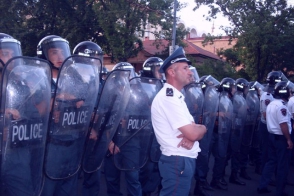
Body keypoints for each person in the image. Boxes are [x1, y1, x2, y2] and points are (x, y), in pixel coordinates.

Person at [151, 47, 207, 196]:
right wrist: (200, 130)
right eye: (185, 68)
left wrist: (194, 133)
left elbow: (193, 132)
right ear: (172, 72)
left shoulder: (177, 97)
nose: (190, 72)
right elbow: (193, 133)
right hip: (177, 160)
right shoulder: (168, 98)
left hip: (181, 159)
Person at [104, 62, 144, 196]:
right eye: (123, 76)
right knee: (111, 178)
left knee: (133, 177)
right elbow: (102, 120)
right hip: (112, 140)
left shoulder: (140, 96)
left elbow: (146, 118)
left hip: (131, 141)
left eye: (128, 75)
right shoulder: (109, 96)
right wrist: (109, 142)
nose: (126, 79)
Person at [72, 40, 104, 196]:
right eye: (92, 59)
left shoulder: (100, 82)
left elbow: (105, 107)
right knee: (68, 179)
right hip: (70, 138)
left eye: (98, 59)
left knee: (92, 176)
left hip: (93, 137)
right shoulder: (69, 80)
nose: (95, 64)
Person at [257, 81, 293, 196]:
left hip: (271, 136)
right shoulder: (281, 106)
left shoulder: (272, 104)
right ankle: (280, 191)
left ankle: (262, 185)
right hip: (281, 138)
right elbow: (283, 125)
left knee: (271, 162)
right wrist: (288, 139)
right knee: (282, 165)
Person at [139, 57, 164, 196]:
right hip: (144, 132)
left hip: (158, 133)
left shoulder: (162, 86)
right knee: (146, 167)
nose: (161, 72)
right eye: (157, 69)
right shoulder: (139, 85)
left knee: (157, 165)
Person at [210, 77, 235, 190]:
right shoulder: (216, 97)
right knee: (209, 158)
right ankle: (203, 182)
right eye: (233, 87)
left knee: (221, 157)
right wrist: (218, 114)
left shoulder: (228, 99)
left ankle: (217, 179)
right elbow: (205, 112)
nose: (234, 89)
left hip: (222, 132)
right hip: (214, 132)